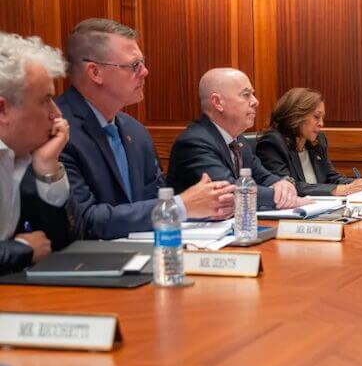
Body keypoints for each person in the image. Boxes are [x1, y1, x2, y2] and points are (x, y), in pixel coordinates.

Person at [57, 19, 234, 240]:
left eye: (143, 63)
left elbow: (156, 201)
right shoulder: (58, 131)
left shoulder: (136, 131)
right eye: (134, 65)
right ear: (95, 72)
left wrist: (203, 207)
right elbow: (86, 221)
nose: (145, 72)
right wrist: (181, 206)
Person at [167, 68, 307, 210]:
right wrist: (280, 197)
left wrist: (282, 183)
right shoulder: (194, 142)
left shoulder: (239, 141)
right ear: (217, 102)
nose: (255, 101)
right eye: (246, 95)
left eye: (253, 94)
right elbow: (228, 192)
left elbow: (264, 177)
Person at [0, 33, 77, 274]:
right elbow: (32, 247)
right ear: (2, 109)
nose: (57, 114)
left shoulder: (21, 155)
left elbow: (57, 245)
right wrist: (22, 248)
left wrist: (47, 168)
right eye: (45, 101)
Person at [255, 87, 362, 197]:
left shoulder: (317, 141)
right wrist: (343, 190)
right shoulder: (272, 143)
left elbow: (331, 177)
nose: (321, 124)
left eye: (322, 118)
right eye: (316, 117)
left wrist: (361, 184)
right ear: (297, 115)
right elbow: (288, 186)